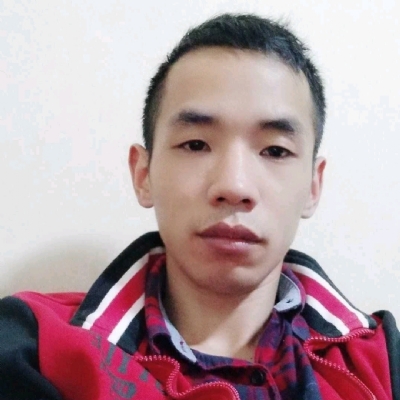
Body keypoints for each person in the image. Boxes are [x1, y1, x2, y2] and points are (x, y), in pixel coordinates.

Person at [0, 13, 398, 400]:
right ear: (143, 174)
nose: (234, 186)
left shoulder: (384, 360)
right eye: (195, 144)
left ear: (313, 185)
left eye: (275, 150)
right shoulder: (34, 347)